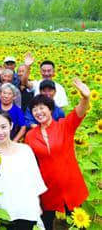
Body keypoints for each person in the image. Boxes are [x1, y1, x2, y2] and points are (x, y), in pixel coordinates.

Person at [25, 78, 90, 230]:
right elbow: (30, 162)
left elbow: (79, 111)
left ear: (50, 109)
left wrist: (85, 97)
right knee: (48, 223)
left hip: (70, 185)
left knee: (78, 223)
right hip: (47, 187)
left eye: (42, 108)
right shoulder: (30, 136)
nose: (38, 112)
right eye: (35, 110)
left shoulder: (64, 126)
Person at [0, 110, 47, 230]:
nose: (0, 132)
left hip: (25, 211)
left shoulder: (25, 150)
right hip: (0, 211)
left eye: (3, 127)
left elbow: (35, 180)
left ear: (11, 126)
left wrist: (37, 205)